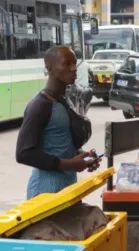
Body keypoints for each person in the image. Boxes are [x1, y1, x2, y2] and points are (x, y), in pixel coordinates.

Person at [16, 46, 100, 200]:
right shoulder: (40, 105)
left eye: (74, 63)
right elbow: (24, 153)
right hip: (46, 193)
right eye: (66, 63)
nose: (73, 69)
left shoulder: (63, 100)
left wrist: (83, 157)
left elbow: (59, 144)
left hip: (67, 190)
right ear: (50, 68)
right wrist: (70, 164)